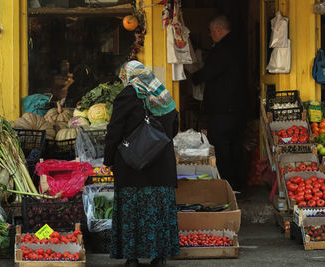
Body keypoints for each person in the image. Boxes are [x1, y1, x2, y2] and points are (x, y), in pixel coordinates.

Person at [100, 60, 180, 267]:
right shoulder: (163, 96)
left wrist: (107, 160)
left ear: (129, 76)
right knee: (158, 210)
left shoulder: (128, 94)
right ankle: (159, 256)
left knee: (132, 211)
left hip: (132, 166)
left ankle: (132, 257)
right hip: (161, 166)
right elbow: (174, 128)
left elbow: (115, 131)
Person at [191, 15, 247, 191]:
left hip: (223, 108)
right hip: (237, 106)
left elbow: (210, 71)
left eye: (210, 31)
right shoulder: (237, 45)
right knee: (235, 144)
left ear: (218, 30)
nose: (210, 35)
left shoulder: (223, 48)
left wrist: (194, 77)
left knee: (223, 146)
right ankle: (237, 184)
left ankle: (228, 185)